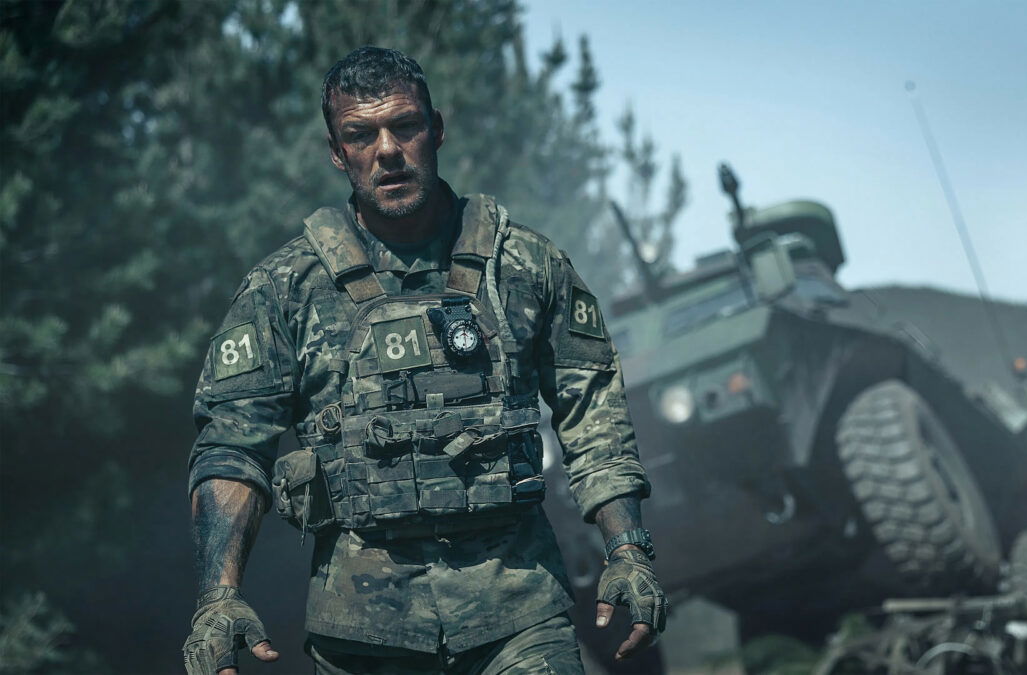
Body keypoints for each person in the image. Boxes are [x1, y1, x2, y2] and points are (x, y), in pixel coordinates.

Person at [182, 46, 666, 675]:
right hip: (363, 633)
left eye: (404, 126)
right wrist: (218, 599)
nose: (387, 150)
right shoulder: (286, 289)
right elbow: (231, 447)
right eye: (361, 135)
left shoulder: (525, 266)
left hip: (518, 613)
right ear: (337, 152)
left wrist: (628, 551)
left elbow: (592, 412)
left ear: (436, 129)